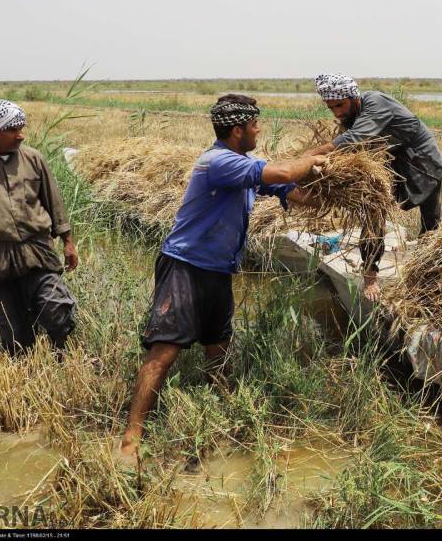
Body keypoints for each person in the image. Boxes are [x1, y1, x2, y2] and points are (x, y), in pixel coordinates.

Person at [119, 94, 324, 459]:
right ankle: (131, 437)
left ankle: (223, 406)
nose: (259, 130)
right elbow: (283, 172)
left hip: (217, 270)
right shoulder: (219, 162)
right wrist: (309, 161)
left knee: (219, 345)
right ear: (237, 129)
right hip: (185, 265)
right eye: (255, 125)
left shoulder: (242, 165)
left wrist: (336, 173)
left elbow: (297, 191)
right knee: (164, 351)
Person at [0, 100, 78, 355]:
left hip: (37, 249)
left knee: (55, 309)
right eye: (13, 129)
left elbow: (54, 202)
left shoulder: (34, 159)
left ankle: (62, 352)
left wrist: (67, 242)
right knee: (14, 334)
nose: (21, 134)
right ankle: (25, 356)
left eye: (21, 128)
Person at [306, 74, 442, 301]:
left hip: (422, 163)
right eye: (331, 107)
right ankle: (370, 275)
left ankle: (428, 273)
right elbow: (352, 149)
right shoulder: (350, 114)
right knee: (373, 211)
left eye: (340, 105)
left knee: (430, 221)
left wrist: (309, 155)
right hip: (390, 164)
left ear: (353, 97)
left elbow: (355, 139)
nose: (337, 113)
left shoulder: (376, 102)